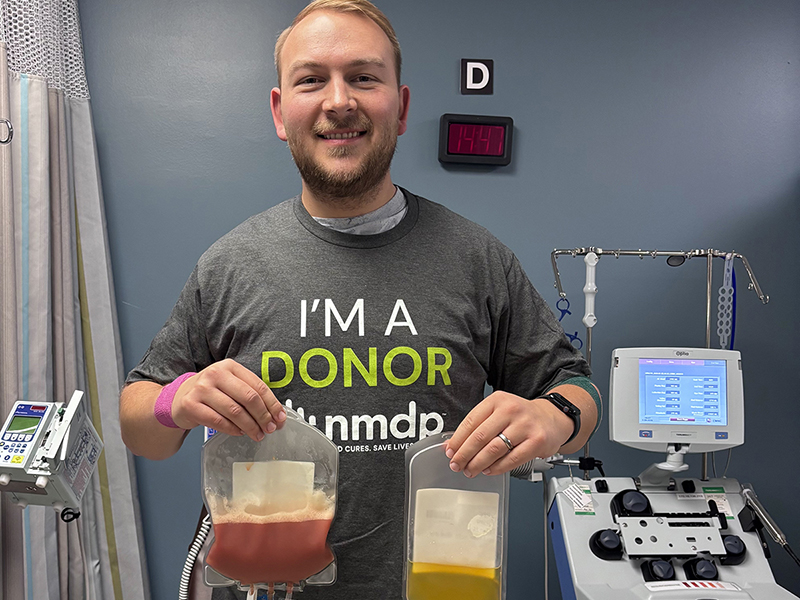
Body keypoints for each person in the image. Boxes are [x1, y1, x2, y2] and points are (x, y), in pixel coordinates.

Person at [119, 1, 601, 598]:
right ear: (279, 111)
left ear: (399, 108)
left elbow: (578, 391)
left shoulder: (478, 259)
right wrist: (177, 399)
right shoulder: (229, 265)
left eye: (363, 77)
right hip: (262, 583)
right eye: (311, 79)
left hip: (433, 583)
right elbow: (140, 426)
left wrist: (555, 416)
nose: (339, 100)